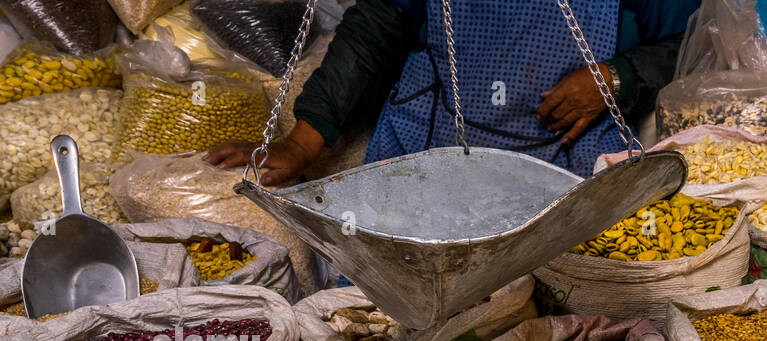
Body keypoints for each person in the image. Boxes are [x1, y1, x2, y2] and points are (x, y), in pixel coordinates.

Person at [208, 0, 700, 182]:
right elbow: (377, 26)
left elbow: (688, 40)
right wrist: (300, 144)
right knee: (377, 310)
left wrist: (616, 78)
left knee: (563, 304)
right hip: (435, 137)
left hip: (568, 151)